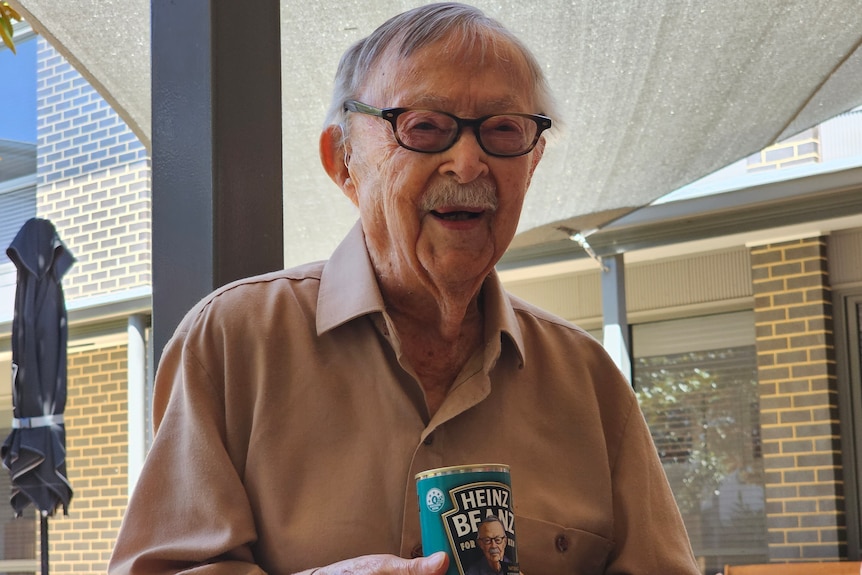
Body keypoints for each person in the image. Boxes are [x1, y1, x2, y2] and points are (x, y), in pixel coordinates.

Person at [108, 3, 701, 574]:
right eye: (424, 127)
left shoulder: (590, 384)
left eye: (502, 131)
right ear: (343, 161)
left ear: (533, 160)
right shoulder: (234, 343)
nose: (468, 164)